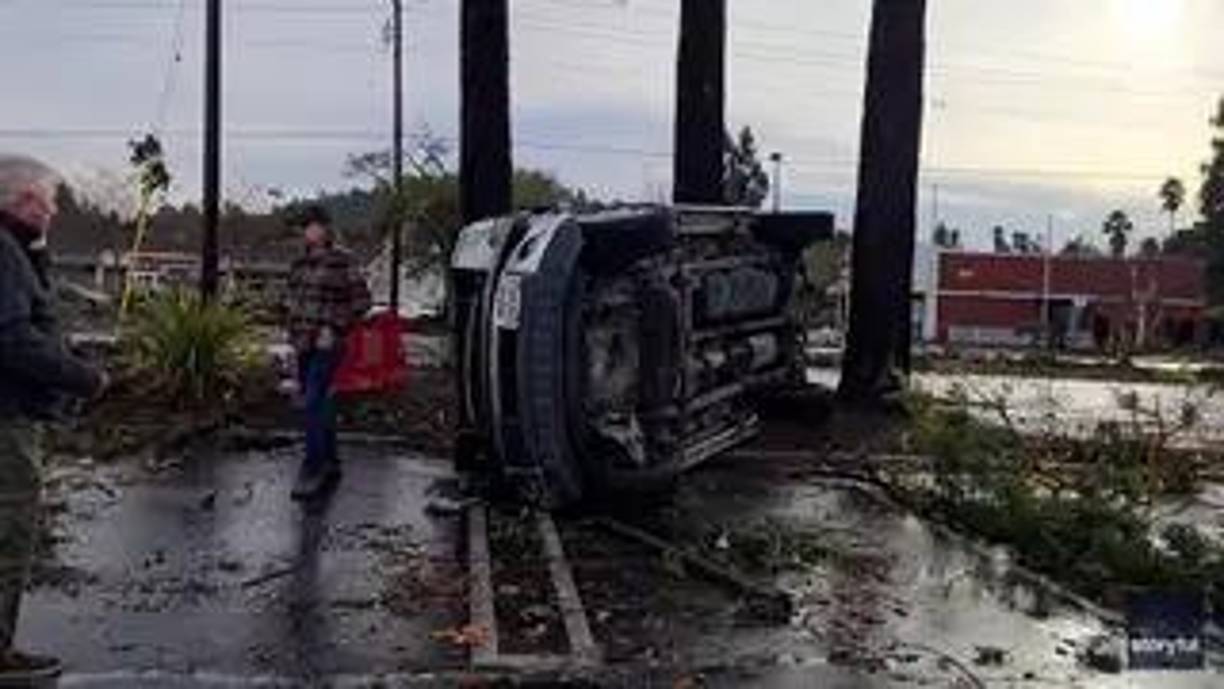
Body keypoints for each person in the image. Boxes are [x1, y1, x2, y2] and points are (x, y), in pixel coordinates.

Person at [0, 155, 106, 681]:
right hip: (7, 415)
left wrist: (37, 250)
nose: (57, 209)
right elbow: (14, 339)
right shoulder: (2, 252)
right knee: (10, 528)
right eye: (51, 199)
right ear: (23, 201)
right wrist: (82, 377)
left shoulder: (16, 249)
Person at [285, 205, 371, 501]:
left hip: (328, 342)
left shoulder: (343, 261)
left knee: (312, 401)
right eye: (303, 226)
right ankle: (331, 461)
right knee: (318, 401)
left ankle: (314, 466)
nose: (307, 231)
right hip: (302, 341)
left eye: (312, 225)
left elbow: (361, 302)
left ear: (325, 228)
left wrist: (334, 328)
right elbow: (292, 300)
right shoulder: (299, 262)